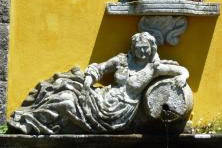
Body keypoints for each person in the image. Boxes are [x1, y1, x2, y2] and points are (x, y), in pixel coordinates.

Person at [8, 32, 189, 134]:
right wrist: (88, 80)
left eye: (145, 48)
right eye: (138, 48)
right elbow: (99, 69)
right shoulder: (122, 60)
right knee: (66, 91)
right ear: (132, 48)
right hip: (103, 97)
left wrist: (183, 77)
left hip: (119, 112)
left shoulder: (153, 68)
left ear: (152, 48)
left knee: (67, 102)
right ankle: (28, 120)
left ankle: (35, 125)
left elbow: (181, 70)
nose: (141, 51)